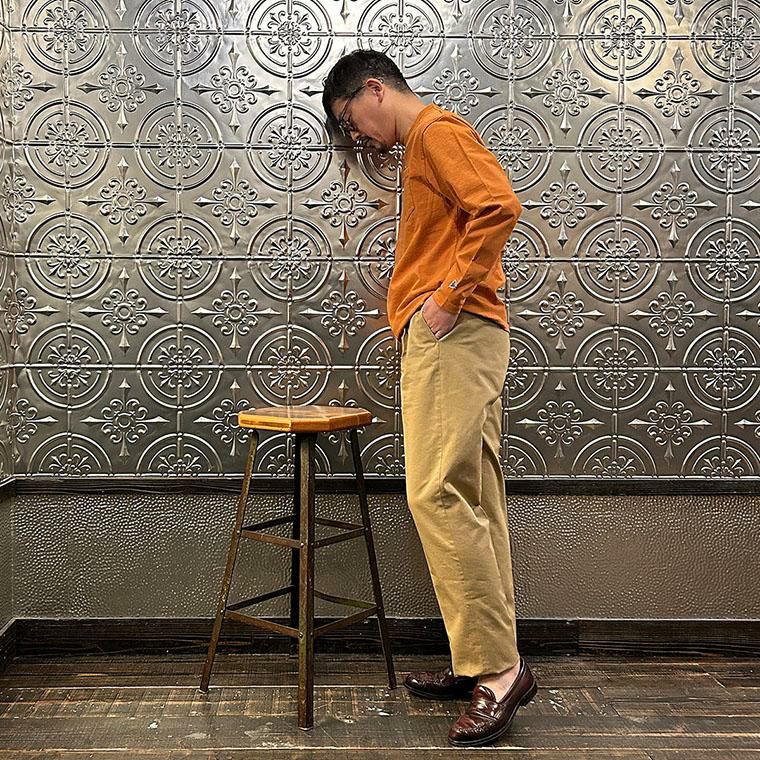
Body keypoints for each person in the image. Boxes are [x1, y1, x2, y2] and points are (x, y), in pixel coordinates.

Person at [322, 49, 537, 747]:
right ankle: (483, 660)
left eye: (351, 119)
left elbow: (498, 206)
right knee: (473, 496)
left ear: (375, 90)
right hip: (466, 334)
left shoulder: (436, 132)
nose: (357, 136)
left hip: (456, 331)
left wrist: (446, 297)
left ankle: (498, 671)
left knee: (437, 493)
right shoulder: (426, 142)